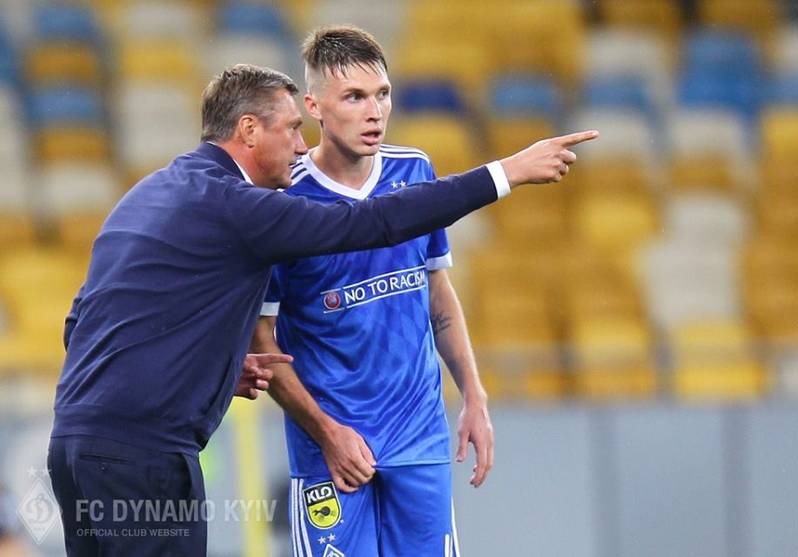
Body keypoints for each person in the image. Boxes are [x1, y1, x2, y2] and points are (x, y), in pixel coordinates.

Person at [46, 62, 597, 556]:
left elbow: (82, 324)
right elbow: (371, 223)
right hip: (143, 456)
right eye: (291, 129)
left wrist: (210, 368)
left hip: (75, 447)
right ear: (249, 131)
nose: (300, 145)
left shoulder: (149, 194)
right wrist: (505, 173)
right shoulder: (239, 206)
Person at [249, 26, 593, 557]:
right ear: (314, 107)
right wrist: (326, 432)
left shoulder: (414, 170)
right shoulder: (283, 199)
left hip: (418, 436)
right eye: (355, 97)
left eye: (382, 94)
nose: (374, 112)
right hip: (332, 451)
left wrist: (474, 395)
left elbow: (438, 295)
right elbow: (262, 339)